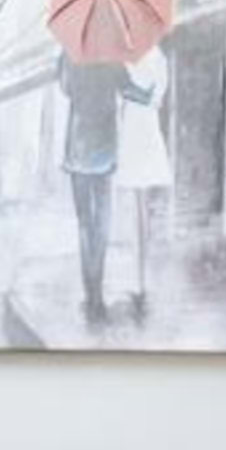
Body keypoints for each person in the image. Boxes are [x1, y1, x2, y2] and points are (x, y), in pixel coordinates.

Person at [56, 46, 161, 328]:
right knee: (101, 225)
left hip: (77, 151)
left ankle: (90, 294)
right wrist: (150, 92)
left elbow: (65, 88)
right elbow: (130, 90)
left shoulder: (70, 51)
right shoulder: (111, 55)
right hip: (103, 151)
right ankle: (97, 299)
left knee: (83, 226)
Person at [114, 39, 175, 324]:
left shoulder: (130, 56)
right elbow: (156, 97)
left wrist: (131, 93)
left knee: (138, 211)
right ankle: (141, 281)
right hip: (144, 131)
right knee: (141, 211)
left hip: (137, 133)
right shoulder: (157, 56)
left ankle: (140, 282)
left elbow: (125, 94)